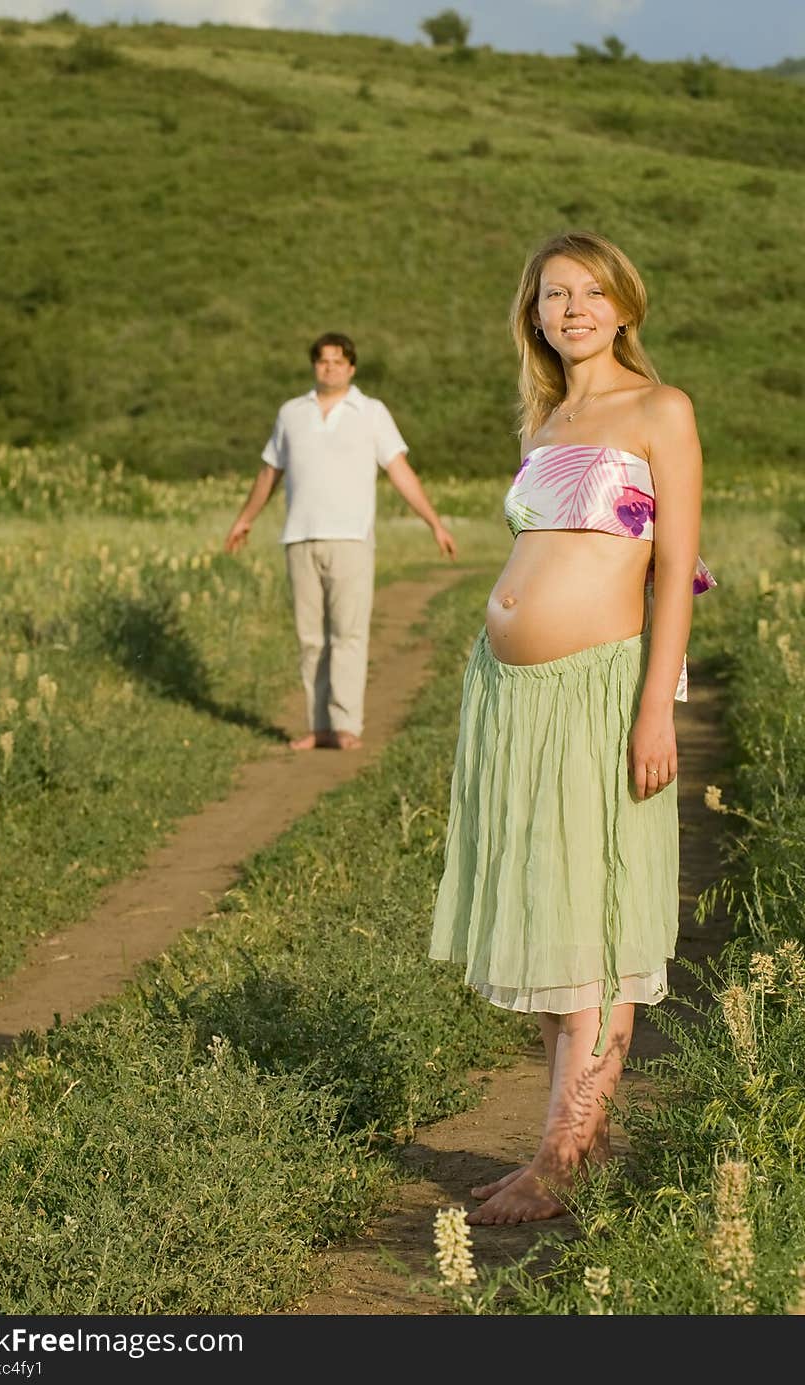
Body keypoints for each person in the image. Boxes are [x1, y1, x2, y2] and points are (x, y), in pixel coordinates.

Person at [429, 230, 715, 1226]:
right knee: (555, 904)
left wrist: (653, 704)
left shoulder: (658, 408)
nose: (573, 308)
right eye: (554, 295)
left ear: (624, 304)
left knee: (598, 913)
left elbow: (673, 563)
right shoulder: (546, 418)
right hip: (515, 697)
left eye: (590, 292)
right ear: (533, 314)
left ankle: (561, 1152)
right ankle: (569, 1142)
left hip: (601, 689)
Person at [224, 332, 457, 750]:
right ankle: (318, 726)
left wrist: (434, 522)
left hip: (350, 538)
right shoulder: (291, 413)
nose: (329, 367)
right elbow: (268, 473)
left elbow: (399, 470)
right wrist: (245, 520)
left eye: (337, 361)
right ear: (314, 365)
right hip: (299, 536)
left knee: (348, 634)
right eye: (322, 361)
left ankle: (346, 724)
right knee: (310, 637)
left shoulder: (370, 412)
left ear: (351, 367)